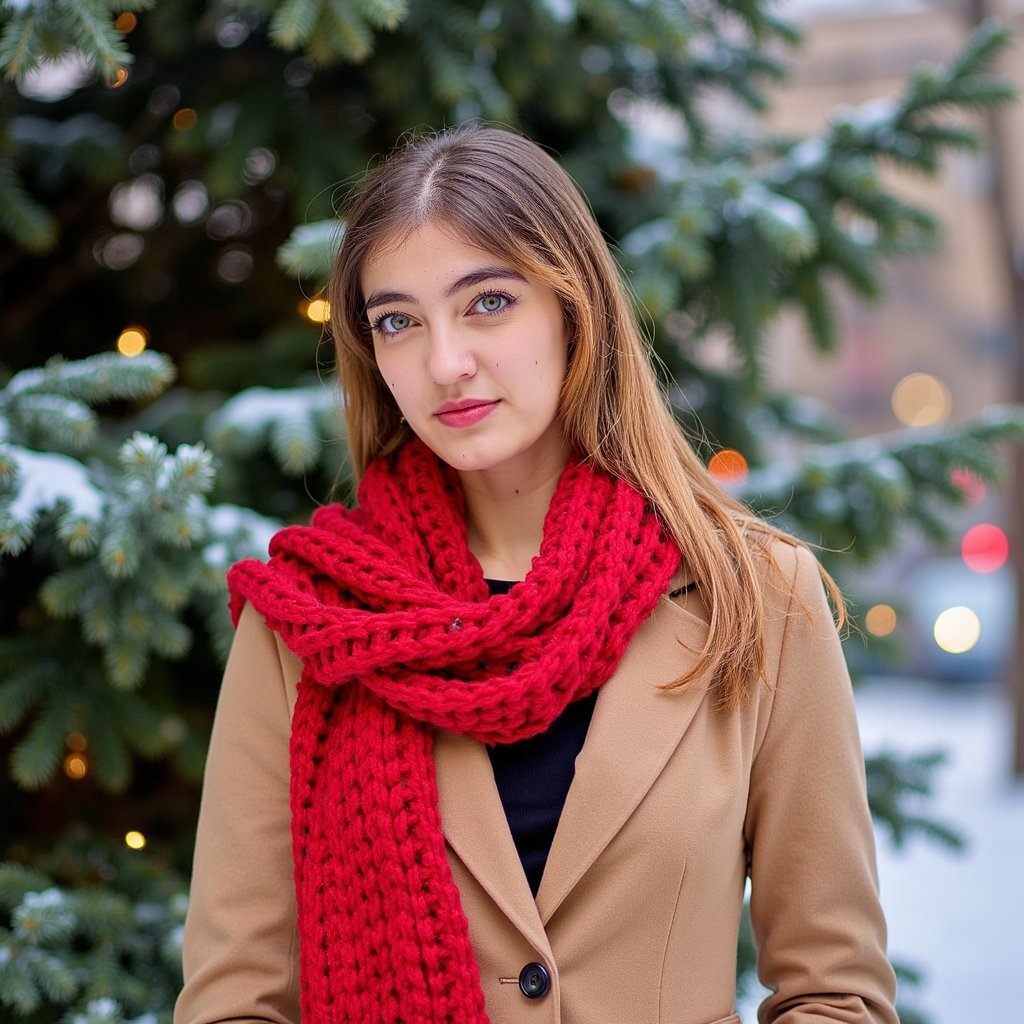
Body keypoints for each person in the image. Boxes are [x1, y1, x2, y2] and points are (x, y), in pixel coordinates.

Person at [175, 126, 899, 1024]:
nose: (446, 363)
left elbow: (834, 992)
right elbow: (235, 1001)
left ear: (572, 308)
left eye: (487, 302)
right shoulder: (312, 622)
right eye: (398, 321)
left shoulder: (753, 593)